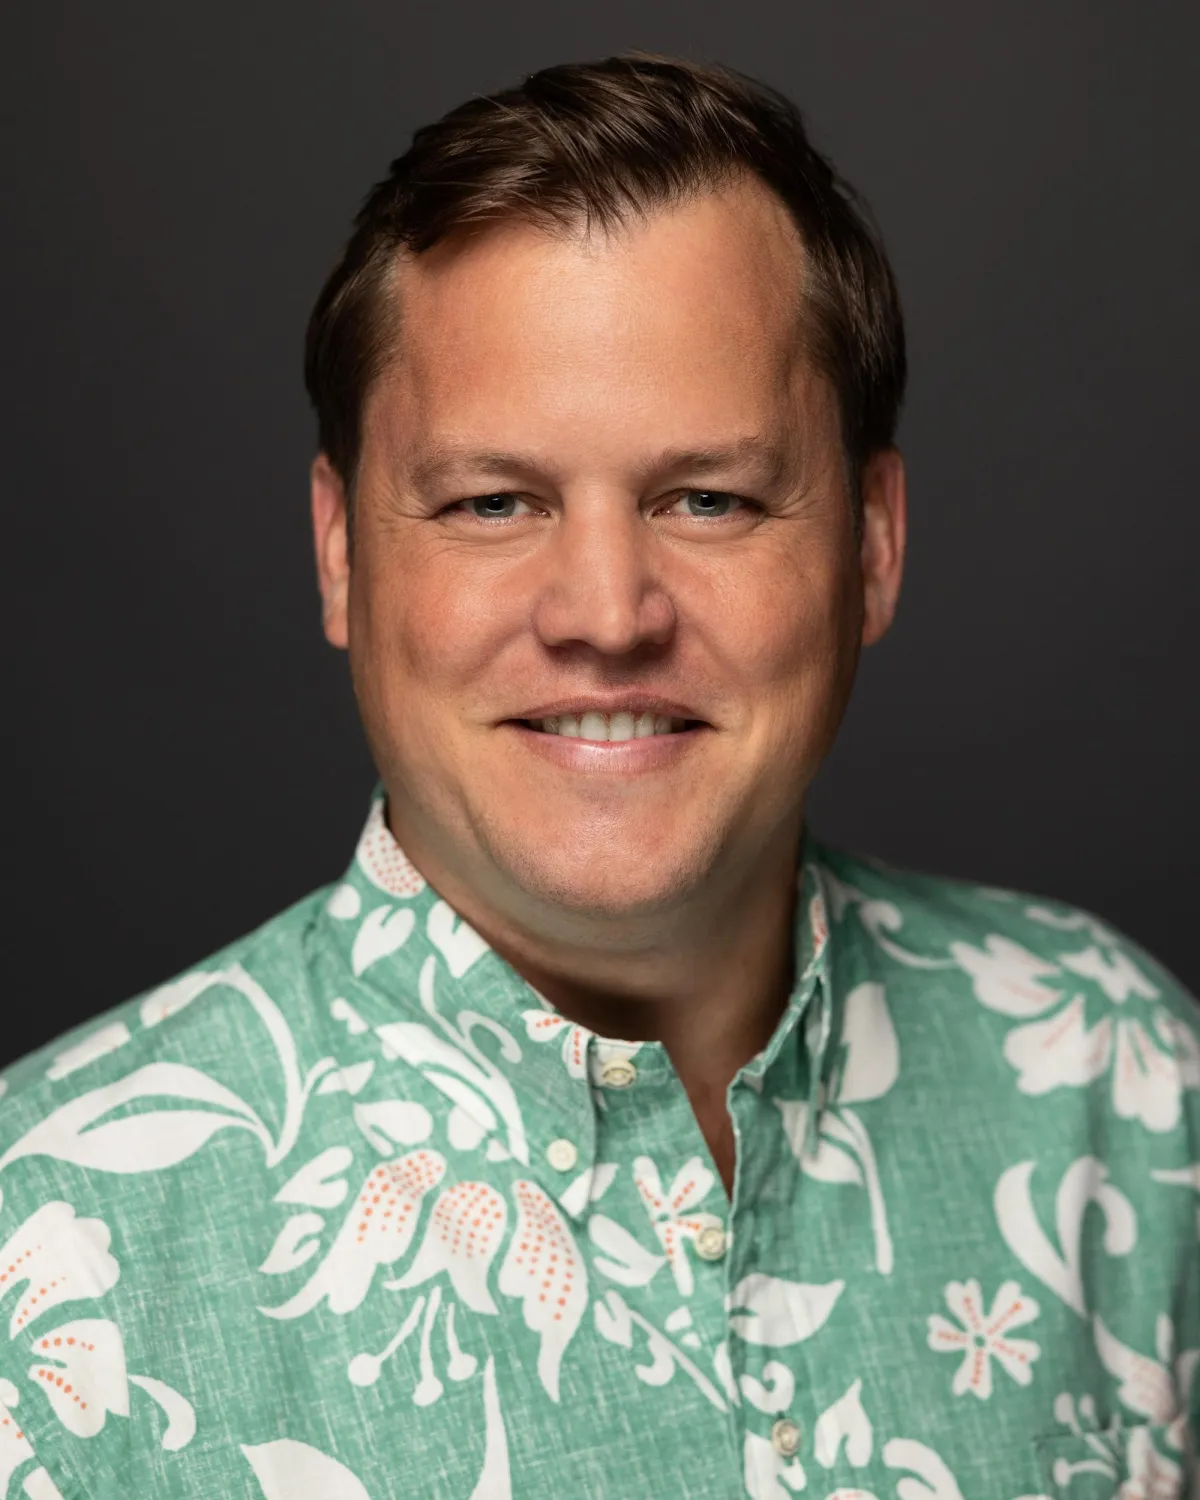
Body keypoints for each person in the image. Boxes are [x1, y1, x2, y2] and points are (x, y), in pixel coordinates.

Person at [0, 50, 1195, 1500]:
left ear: (872, 543)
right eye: (494, 502)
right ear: (339, 551)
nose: (608, 612)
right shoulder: (42, 1256)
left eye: (710, 498)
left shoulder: (1123, 1085)